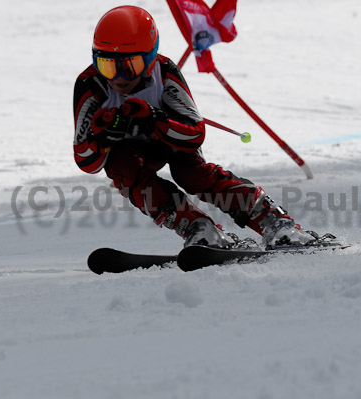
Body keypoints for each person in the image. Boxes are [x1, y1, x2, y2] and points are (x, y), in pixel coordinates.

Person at [73, 5, 331, 249]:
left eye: (130, 67)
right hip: (131, 153)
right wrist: (102, 138)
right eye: (106, 65)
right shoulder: (90, 85)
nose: (118, 79)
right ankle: (198, 227)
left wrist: (154, 122)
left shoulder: (163, 73)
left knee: (191, 174)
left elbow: (195, 134)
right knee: (122, 170)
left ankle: (274, 221)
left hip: (171, 144)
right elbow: (86, 162)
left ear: (150, 58)